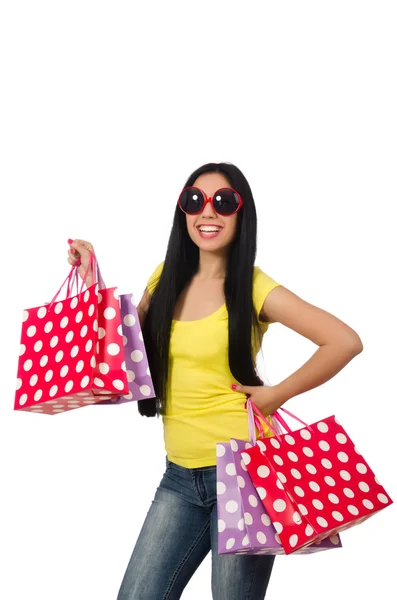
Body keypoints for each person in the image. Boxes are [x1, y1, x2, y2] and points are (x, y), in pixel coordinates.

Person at [68, 162, 363, 600]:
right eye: (194, 201)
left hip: (245, 474)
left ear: (242, 214)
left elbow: (343, 341)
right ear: (182, 211)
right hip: (179, 477)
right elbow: (122, 347)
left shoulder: (253, 285)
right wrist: (92, 278)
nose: (207, 213)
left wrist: (276, 395)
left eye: (223, 203)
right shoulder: (165, 276)